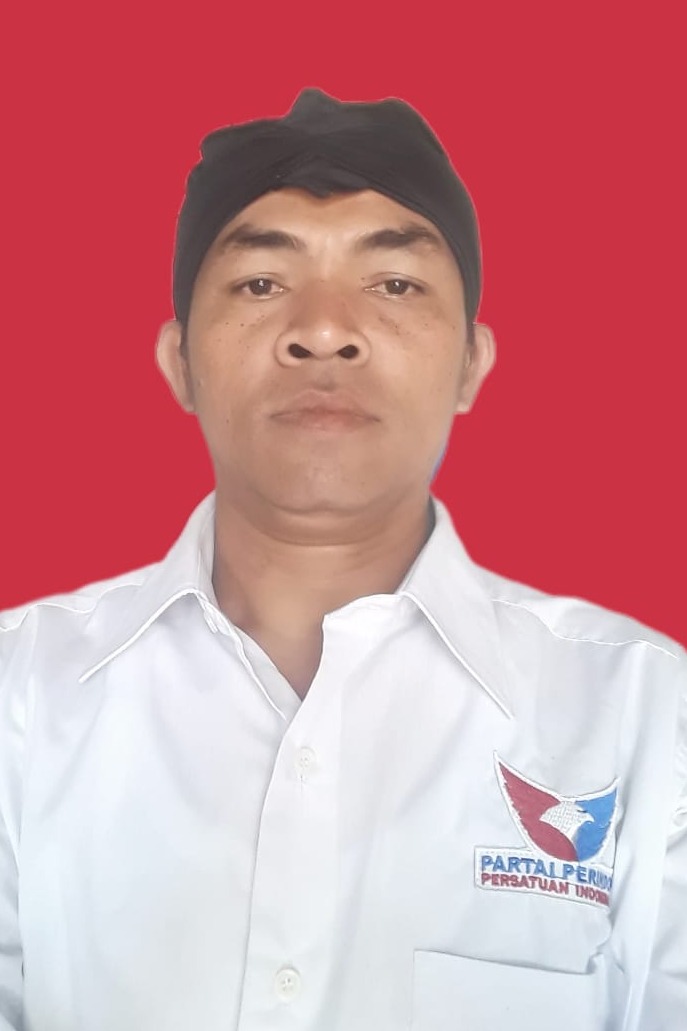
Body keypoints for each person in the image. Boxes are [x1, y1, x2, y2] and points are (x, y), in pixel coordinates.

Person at [0, 88, 684, 1031]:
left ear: (472, 362)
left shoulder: (645, 715)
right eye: (260, 283)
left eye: (394, 283)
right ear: (179, 361)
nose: (324, 329)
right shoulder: (22, 697)